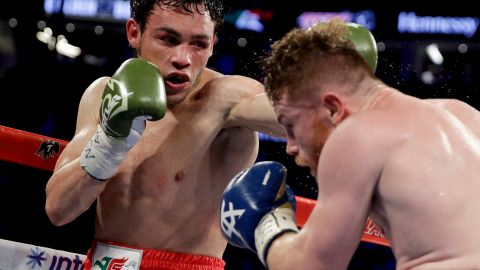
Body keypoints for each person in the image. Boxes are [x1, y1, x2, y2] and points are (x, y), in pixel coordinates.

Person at [219, 19, 480, 270]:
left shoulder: (356, 135)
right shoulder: (462, 114)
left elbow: (311, 267)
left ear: (333, 108)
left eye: (291, 125)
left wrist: (266, 225)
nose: (290, 146)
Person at [44, 0, 287, 269]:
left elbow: (300, 116)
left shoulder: (224, 98)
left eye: (199, 44)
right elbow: (58, 209)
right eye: (168, 39)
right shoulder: (103, 94)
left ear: (213, 44)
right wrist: (110, 142)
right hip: (103, 262)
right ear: (135, 33)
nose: (182, 59)